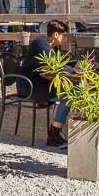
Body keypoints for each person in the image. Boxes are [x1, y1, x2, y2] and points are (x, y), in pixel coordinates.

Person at [18, 19, 71, 147]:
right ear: (56, 34)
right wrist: (75, 70)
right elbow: (56, 66)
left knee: (70, 92)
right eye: (64, 36)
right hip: (29, 87)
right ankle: (54, 133)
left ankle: (55, 132)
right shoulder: (40, 43)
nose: (65, 39)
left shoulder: (52, 48)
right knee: (69, 95)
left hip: (40, 85)